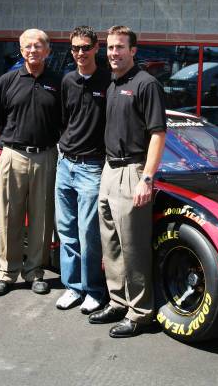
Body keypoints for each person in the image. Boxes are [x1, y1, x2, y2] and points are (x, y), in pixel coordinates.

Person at [89, 26, 166, 338]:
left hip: (133, 171)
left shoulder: (146, 84)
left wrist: (146, 178)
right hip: (109, 170)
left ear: (134, 50)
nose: (113, 53)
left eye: (120, 47)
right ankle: (118, 300)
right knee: (111, 243)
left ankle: (141, 312)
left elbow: (158, 134)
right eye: (109, 48)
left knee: (133, 247)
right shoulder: (111, 83)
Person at [0, 29, 61, 296]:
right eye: (27, 46)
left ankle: (35, 272)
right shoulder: (6, 81)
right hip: (12, 155)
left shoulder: (58, 83)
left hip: (46, 156)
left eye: (38, 46)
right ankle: (6, 273)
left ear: (47, 51)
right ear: (21, 49)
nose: (32, 50)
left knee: (42, 218)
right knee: (8, 215)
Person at [55, 26, 110, 312]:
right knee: (67, 231)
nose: (79, 53)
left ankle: (94, 291)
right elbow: (65, 120)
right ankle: (72, 287)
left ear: (96, 48)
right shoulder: (67, 81)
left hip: (91, 168)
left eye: (85, 47)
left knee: (89, 235)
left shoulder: (108, 81)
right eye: (75, 48)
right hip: (64, 164)